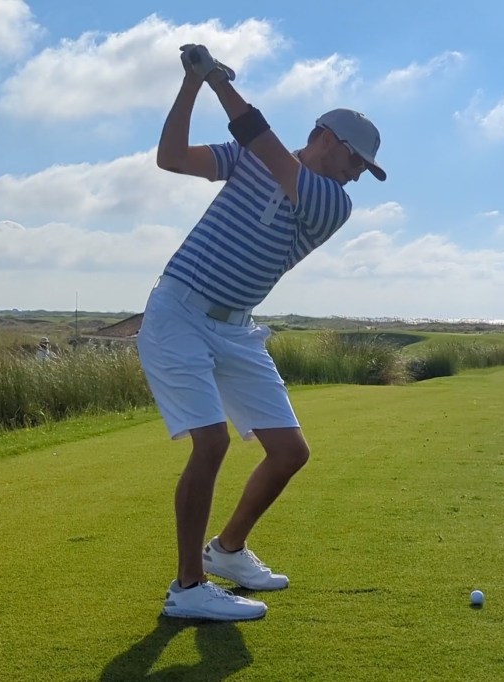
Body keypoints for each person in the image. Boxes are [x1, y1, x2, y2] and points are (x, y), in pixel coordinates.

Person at [137, 44, 386, 621]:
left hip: (236, 329)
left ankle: (227, 550)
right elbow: (171, 158)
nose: (357, 175)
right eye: (356, 161)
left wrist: (217, 80)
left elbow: (262, 142)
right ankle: (188, 588)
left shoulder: (333, 202)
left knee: (290, 452)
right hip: (179, 310)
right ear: (327, 139)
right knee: (212, 443)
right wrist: (192, 84)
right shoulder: (251, 159)